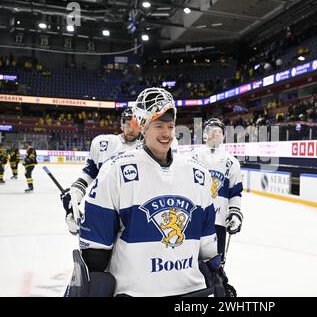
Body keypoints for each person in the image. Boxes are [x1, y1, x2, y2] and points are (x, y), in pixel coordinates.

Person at [72, 88, 232, 297]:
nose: (166, 133)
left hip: (192, 293)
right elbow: (95, 255)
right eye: (158, 126)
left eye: (170, 126)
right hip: (135, 293)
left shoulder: (198, 174)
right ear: (143, 127)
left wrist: (218, 275)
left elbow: (207, 246)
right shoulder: (115, 171)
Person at [60, 107, 141, 234]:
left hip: (134, 210)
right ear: (121, 124)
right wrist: (77, 190)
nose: (131, 129)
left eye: (135, 125)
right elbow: (90, 172)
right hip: (102, 207)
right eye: (127, 123)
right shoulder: (103, 143)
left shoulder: (148, 148)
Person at [189, 118, 243, 263]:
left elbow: (235, 192)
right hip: (194, 219)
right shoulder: (191, 158)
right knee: (192, 262)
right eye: (212, 130)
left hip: (219, 221)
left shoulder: (232, 162)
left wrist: (235, 212)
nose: (216, 134)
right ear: (204, 134)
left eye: (219, 131)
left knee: (216, 263)